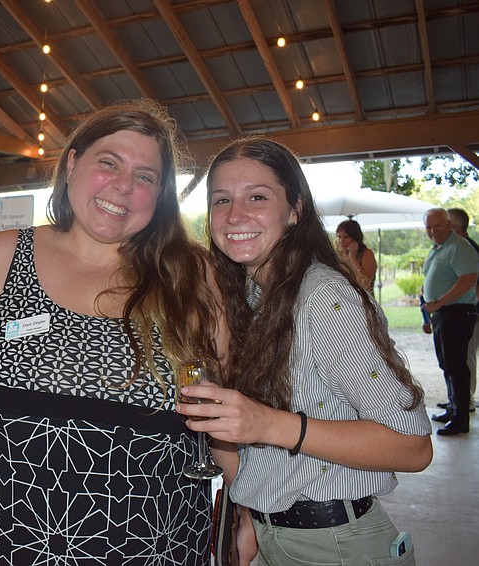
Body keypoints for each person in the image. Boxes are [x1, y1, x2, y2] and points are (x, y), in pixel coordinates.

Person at [0, 99, 223, 565]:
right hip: (3, 537)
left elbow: (221, 410)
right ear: (72, 162)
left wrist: (244, 512)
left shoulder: (188, 275)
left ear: (159, 197)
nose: (123, 187)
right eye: (108, 163)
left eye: (145, 177)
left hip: (149, 542)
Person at [179, 137, 432, 565]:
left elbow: (413, 447)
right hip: (273, 532)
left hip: (338, 545)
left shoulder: (323, 297)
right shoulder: (250, 297)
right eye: (221, 200)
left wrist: (268, 424)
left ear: (295, 209)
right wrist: (245, 511)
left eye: (256, 196)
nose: (235, 215)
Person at [421, 208, 478, 435]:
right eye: (428, 227)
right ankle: (453, 408)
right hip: (442, 313)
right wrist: (430, 313)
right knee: (447, 364)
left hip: (456, 312)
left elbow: (468, 280)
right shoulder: (439, 248)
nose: (432, 231)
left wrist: (439, 302)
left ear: (449, 224)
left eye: (437, 226)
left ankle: (461, 418)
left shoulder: (459, 247)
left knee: (456, 367)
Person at [446, 207, 479, 412]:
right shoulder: (453, 247)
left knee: (465, 357)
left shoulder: (467, 247)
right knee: (455, 359)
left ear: (455, 226)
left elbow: (471, 281)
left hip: (468, 311)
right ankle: (456, 401)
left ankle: (465, 401)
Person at [336, 218, 377, 292]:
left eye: (346, 237)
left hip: (363, 300)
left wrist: (352, 257)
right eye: (339, 237)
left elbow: (366, 284)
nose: (341, 240)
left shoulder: (366, 254)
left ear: (355, 238)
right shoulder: (338, 255)